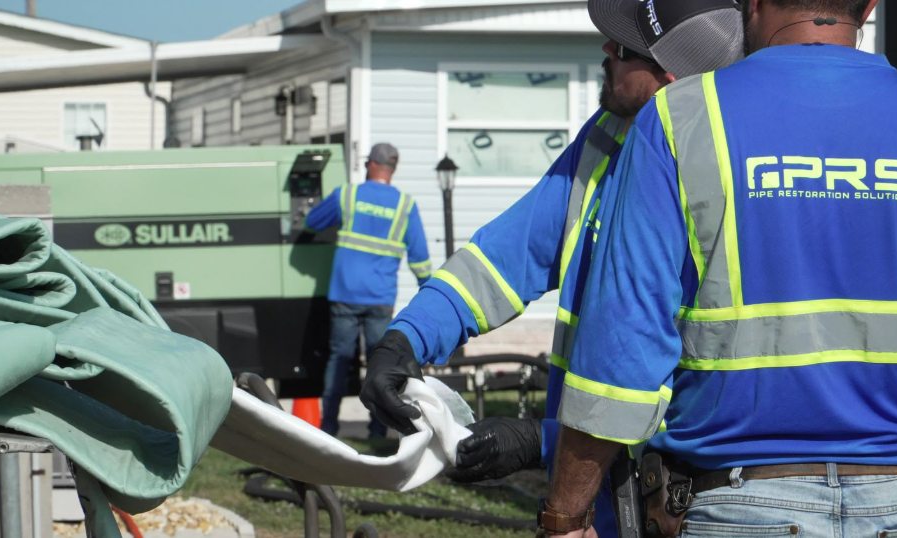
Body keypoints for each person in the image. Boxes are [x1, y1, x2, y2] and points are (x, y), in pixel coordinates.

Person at [545, 0, 897, 535]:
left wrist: (565, 515)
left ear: (748, 4)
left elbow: (623, 346)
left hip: (733, 504)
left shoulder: (680, 119)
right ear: (871, 5)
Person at [357, 1, 744, 535]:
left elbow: (679, 376)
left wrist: (542, 443)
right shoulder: (608, 137)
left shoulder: (722, 175)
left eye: (627, 48)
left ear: (670, 83)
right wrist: (405, 339)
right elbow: (505, 258)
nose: (607, 49)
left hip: (683, 504)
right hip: (604, 493)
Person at [305, 142, 431, 438]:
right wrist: (430, 297)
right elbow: (421, 260)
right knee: (380, 365)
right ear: (392, 168)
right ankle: (378, 430)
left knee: (339, 360)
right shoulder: (405, 206)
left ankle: (329, 428)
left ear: (370, 164)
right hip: (380, 298)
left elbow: (311, 222)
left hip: (345, 294)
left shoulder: (347, 195)